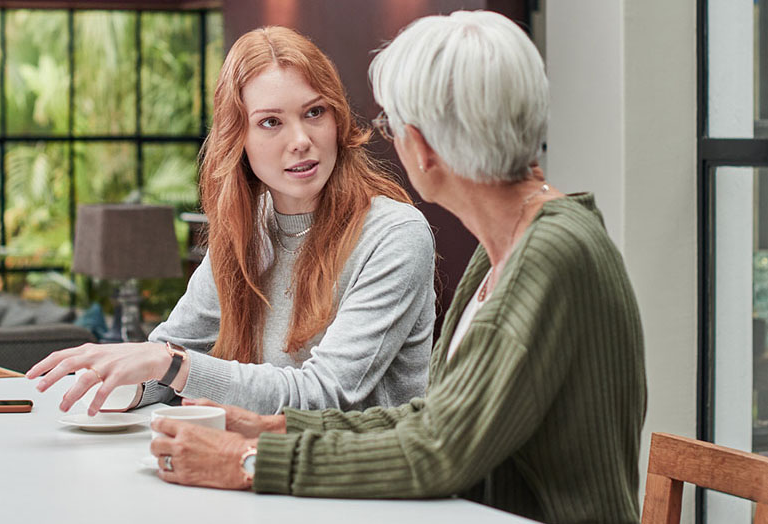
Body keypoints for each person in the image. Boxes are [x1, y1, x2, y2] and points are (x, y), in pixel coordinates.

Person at [147, 11, 648, 524]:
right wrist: (275, 429)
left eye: (392, 126)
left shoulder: (550, 256)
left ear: (424, 147)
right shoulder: (512, 246)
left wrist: (251, 462)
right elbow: (434, 421)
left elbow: (438, 452)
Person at [26, 26, 436, 417]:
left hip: (356, 467)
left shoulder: (394, 235)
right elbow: (172, 356)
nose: (300, 141)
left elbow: (325, 395)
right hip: (254, 459)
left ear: (338, 119)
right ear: (237, 138)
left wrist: (168, 363)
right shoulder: (249, 228)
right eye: (271, 122)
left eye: (315, 112)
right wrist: (111, 386)